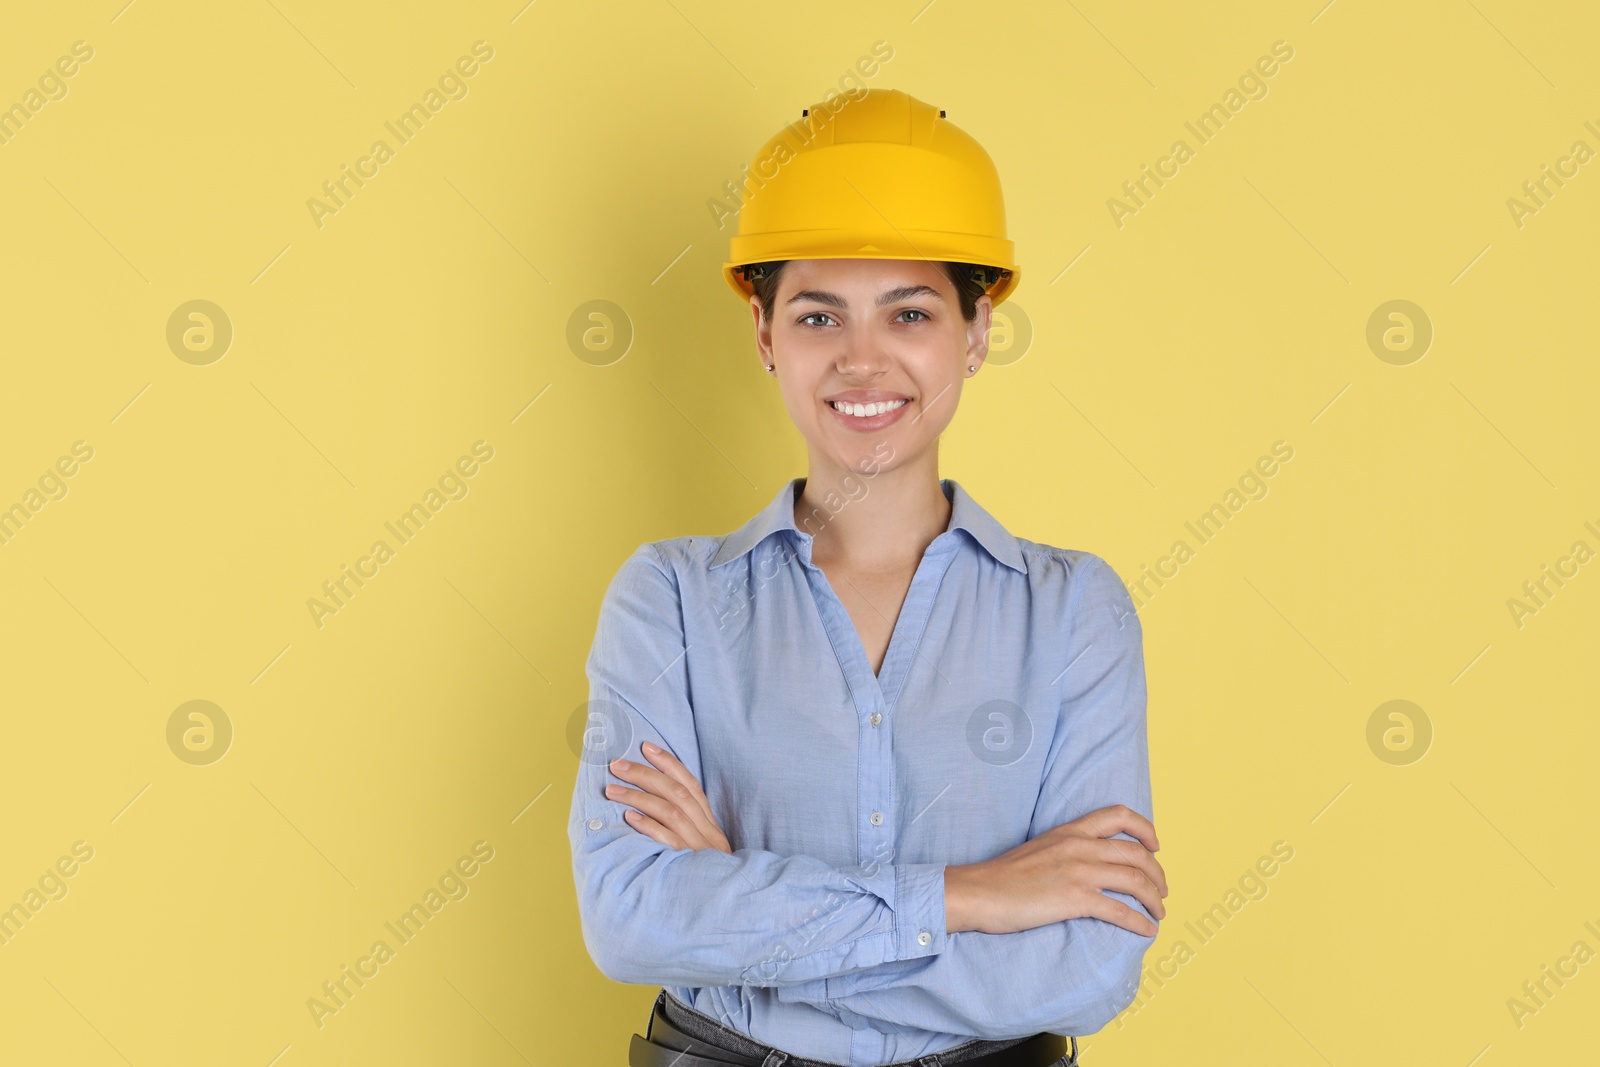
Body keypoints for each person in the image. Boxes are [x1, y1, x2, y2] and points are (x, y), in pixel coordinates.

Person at [569, 88, 1167, 1067]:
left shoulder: (1072, 610)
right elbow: (631, 918)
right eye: (817, 314)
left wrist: (739, 902)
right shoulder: (668, 599)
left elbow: (1090, 965)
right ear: (764, 334)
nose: (862, 358)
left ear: (974, 333)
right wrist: (970, 895)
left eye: (910, 311)